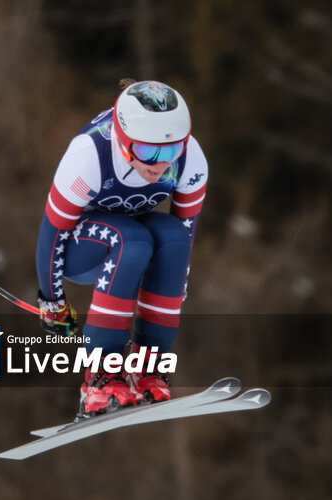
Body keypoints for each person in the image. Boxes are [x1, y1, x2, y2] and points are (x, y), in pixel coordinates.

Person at [35, 79, 208, 419]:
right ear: (124, 139)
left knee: (173, 240)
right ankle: (100, 377)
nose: (159, 164)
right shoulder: (90, 155)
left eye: (171, 152)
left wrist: (175, 288)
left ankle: (148, 369)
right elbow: (52, 232)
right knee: (131, 239)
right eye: (148, 152)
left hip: (133, 239)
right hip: (81, 248)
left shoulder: (192, 161)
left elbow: (186, 232)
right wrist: (52, 300)